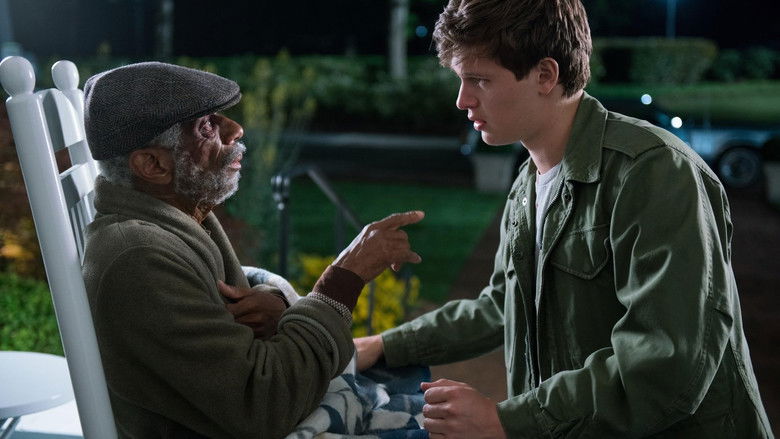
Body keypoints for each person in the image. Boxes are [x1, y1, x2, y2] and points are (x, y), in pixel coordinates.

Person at [354, 1, 774, 437]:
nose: (462, 99)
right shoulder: (527, 183)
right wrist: (384, 345)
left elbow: (667, 359)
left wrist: (508, 421)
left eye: (479, 79)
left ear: (545, 75)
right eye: (461, 80)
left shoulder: (654, 171)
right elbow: (501, 305)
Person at [81, 62, 424, 438]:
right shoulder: (139, 260)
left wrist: (276, 305)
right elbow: (265, 403)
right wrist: (343, 279)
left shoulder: (171, 221)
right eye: (207, 125)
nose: (235, 130)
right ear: (152, 164)